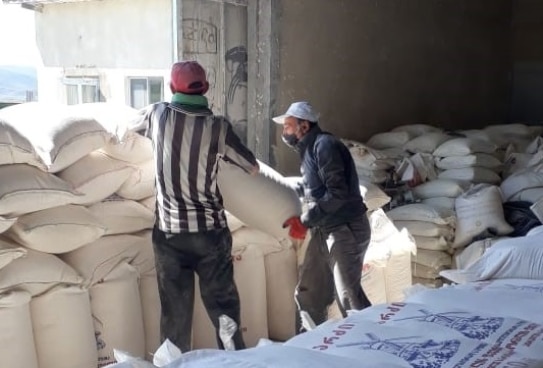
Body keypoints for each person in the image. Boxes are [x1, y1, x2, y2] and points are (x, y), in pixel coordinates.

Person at [138, 61, 259, 352]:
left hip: (170, 236)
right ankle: (235, 361)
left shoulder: (158, 115)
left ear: (171, 88)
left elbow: (127, 129)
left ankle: (173, 362)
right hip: (210, 236)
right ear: (205, 88)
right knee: (224, 313)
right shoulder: (218, 127)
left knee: (174, 317)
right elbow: (252, 167)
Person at [274, 101, 372, 331]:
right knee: (309, 291)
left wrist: (305, 221)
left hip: (345, 230)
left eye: (288, 126)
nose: (284, 132)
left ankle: (372, 345)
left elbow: (336, 194)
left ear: (304, 126)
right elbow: (314, 189)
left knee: (349, 297)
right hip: (325, 230)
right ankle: (311, 347)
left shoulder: (325, 145)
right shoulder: (308, 149)